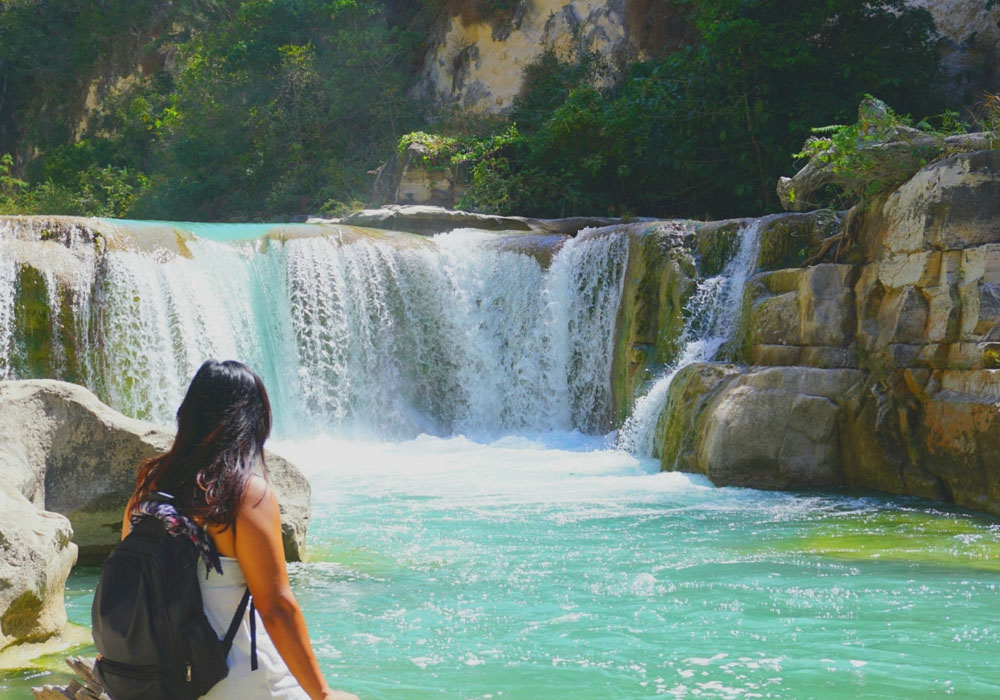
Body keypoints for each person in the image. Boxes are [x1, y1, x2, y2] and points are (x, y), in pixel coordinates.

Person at [122, 359, 358, 700]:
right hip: (231, 679)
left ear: (187, 416)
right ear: (252, 421)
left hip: (156, 682)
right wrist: (324, 695)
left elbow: (128, 590)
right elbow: (276, 607)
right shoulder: (244, 495)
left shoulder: (146, 493)